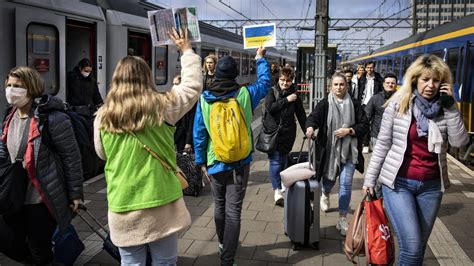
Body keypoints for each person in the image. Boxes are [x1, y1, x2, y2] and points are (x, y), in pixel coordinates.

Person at [93, 28, 201, 265]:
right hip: (161, 200)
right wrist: (186, 50)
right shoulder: (163, 106)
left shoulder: (103, 117)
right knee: (164, 261)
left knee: (131, 262)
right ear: (147, 78)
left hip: (123, 202)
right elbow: (192, 87)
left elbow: (102, 153)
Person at [362, 55, 469, 265]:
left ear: (443, 83)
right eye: (425, 80)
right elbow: (383, 144)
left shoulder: (445, 108)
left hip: (431, 187)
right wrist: (369, 180)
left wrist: (451, 108)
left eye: (436, 80)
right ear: (415, 80)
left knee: (418, 249)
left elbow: (458, 142)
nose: (430, 85)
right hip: (398, 183)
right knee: (411, 247)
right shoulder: (397, 104)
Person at [193, 47, 270, 266]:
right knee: (233, 211)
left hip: (215, 160)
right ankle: (228, 259)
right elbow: (265, 83)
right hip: (240, 162)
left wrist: (201, 162)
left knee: (219, 205)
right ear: (235, 75)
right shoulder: (245, 94)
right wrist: (260, 59)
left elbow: (199, 133)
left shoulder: (204, 100)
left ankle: (221, 243)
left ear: (216, 73)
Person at [0, 66, 83, 264]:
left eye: (18, 86)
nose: (12, 90)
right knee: (10, 242)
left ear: (31, 88)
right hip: (14, 196)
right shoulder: (8, 116)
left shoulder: (52, 119)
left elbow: (71, 157)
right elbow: (3, 150)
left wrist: (76, 194)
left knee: (40, 248)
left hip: (40, 200)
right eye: (9, 85)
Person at [305, 73, 369, 236]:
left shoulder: (354, 103)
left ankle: (342, 218)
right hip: (330, 152)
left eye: (342, 84)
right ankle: (325, 193)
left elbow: (364, 125)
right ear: (330, 87)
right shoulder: (325, 103)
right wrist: (311, 127)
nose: (339, 87)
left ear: (347, 86)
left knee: (346, 184)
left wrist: (349, 130)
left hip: (349, 152)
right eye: (336, 85)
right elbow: (313, 118)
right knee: (328, 181)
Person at [264, 67, 306, 205]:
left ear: (291, 80)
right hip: (273, 133)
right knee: (275, 161)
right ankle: (276, 189)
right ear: (278, 79)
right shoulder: (272, 91)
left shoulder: (295, 94)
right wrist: (287, 100)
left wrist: (307, 131)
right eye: (282, 80)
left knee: (283, 159)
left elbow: (301, 114)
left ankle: (282, 182)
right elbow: (270, 108)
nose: (285, 83)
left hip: (288, 133)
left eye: (288, 80)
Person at [365, 72, 398, 148]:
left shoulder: (402, 99)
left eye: (393, 83)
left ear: (396, 85)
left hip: (395, 137)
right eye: (388, 83)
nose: (390, 85)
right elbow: (366, 116)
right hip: (377, 136)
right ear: (383, 84)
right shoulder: (375, 98)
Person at [358, 61, 384, 153]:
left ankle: (372, 142)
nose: (370, 69)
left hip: (375, 103)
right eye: (368, 67)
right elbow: (359, 90)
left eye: (371, 67)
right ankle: (365, 144)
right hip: (364, 103)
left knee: (374, 124)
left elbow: (382, 90)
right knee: (365, 123)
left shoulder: (378, 78)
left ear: (374, 68)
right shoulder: (362, 78)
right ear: (365, 68)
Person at [173, 75, 196, 153]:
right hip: (177, 136)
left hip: (186, 136)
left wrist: (188, 142)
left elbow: (191, 122)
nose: (174, 87)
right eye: (173, 84)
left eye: (176, 84)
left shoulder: (190, 101)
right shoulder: (174, 100)